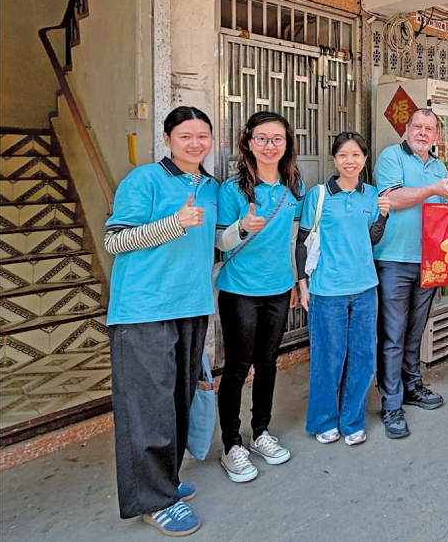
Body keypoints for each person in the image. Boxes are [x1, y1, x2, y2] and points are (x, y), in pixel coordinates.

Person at [104, 107, 218, 537]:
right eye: (185, 136)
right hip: (143, 310)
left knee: (175, 403)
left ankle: (164, 480)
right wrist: (173, 223)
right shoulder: (144, 179)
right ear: (168, 139)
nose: (195, 143)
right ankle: (154, 500)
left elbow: (213, 242)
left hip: (191, 306)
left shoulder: (209, 187)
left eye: (203, 135)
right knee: (147, 410)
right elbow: (115, 239)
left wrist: (242, 229)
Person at [213, 112, 304, 483]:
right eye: (262, 138)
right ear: (248, 143)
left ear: (287, 144)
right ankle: (231, 445)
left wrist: (296, 282)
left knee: (268, 363)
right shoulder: (232, 190)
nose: (270, 146)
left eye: (277, 139)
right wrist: (241, 227)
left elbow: (293, 240)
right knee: (237, 367)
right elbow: (220, 243)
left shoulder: (293, 187)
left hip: (279, 289)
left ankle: (261, 432)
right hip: (240, 291)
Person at [297, 132, 390, 447]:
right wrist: (303, 284)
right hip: (327, 290)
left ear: (365, 159)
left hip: (365, 288)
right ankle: (324, 420)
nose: (350, 161)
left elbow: (372, 238)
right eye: (343, 155)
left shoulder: (372, 195)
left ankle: (352, 421)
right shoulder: (319, 195)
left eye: (356, 155)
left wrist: (384, 216)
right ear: (334, 159)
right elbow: (302, 241)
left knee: (363, 356)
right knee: (328, 358)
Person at [373, 109, 448, 438]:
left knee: (414, 330)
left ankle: (411, 385)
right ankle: (391, 404)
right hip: (393, 259)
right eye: (417, 126)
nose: (423, 133)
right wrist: (432, 189)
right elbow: (391, 198)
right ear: (407, 129)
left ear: (436, 136)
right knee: (392, 334)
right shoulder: (391, 156)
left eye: (429, 129)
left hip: (429, 260)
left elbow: (446, 212)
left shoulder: (438, 167)